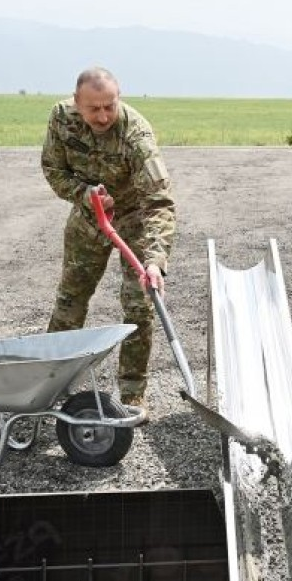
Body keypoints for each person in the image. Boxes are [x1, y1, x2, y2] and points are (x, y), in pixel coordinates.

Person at [42, 67, 175, 411]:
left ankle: (132, 394)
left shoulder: (136, 136)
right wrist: (85, 194)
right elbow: (54, 171)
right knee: (70, 301)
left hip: (132, 223)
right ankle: (49, 384)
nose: (103, 116)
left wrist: (155, 260)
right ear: (76, 104)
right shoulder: (61, 119)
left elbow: (159, 203)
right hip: (88, 220)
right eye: (94, 108)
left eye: (109, 106)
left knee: (139, 306)